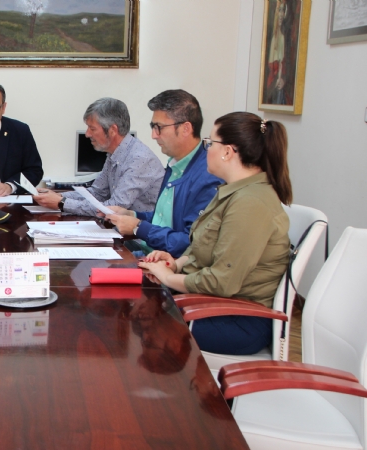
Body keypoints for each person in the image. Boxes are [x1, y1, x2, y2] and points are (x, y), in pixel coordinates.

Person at [140, 112, 292, 356]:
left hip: (237, 318)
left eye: (210, 143)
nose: (206, 149)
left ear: (228, 152)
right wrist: (175, 264)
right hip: (214, 304)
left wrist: (168, 278)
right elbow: (201, 247)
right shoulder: (230, 192)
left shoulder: (250, 203)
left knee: (143, 320)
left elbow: (222, 281)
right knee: (134, 299)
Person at [105, 90, 222, 257]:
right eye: (153, 127)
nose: (154, 135)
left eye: (158, 127)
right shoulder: (176, 164)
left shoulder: (207, 176)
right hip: (149, 255)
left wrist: (138, 227)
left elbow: (190, 244)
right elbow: (166, 217)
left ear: (185, 128)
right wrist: (132, 214)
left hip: (169, 267)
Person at [33, 98, 164, 216]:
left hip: (139, 239)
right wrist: (57, 196)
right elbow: (97, 193)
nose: (87, 134)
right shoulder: (115, 153)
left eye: (92, 128)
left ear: (113, 130)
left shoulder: (139, 159)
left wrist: (62, 203)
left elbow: (114, 208)